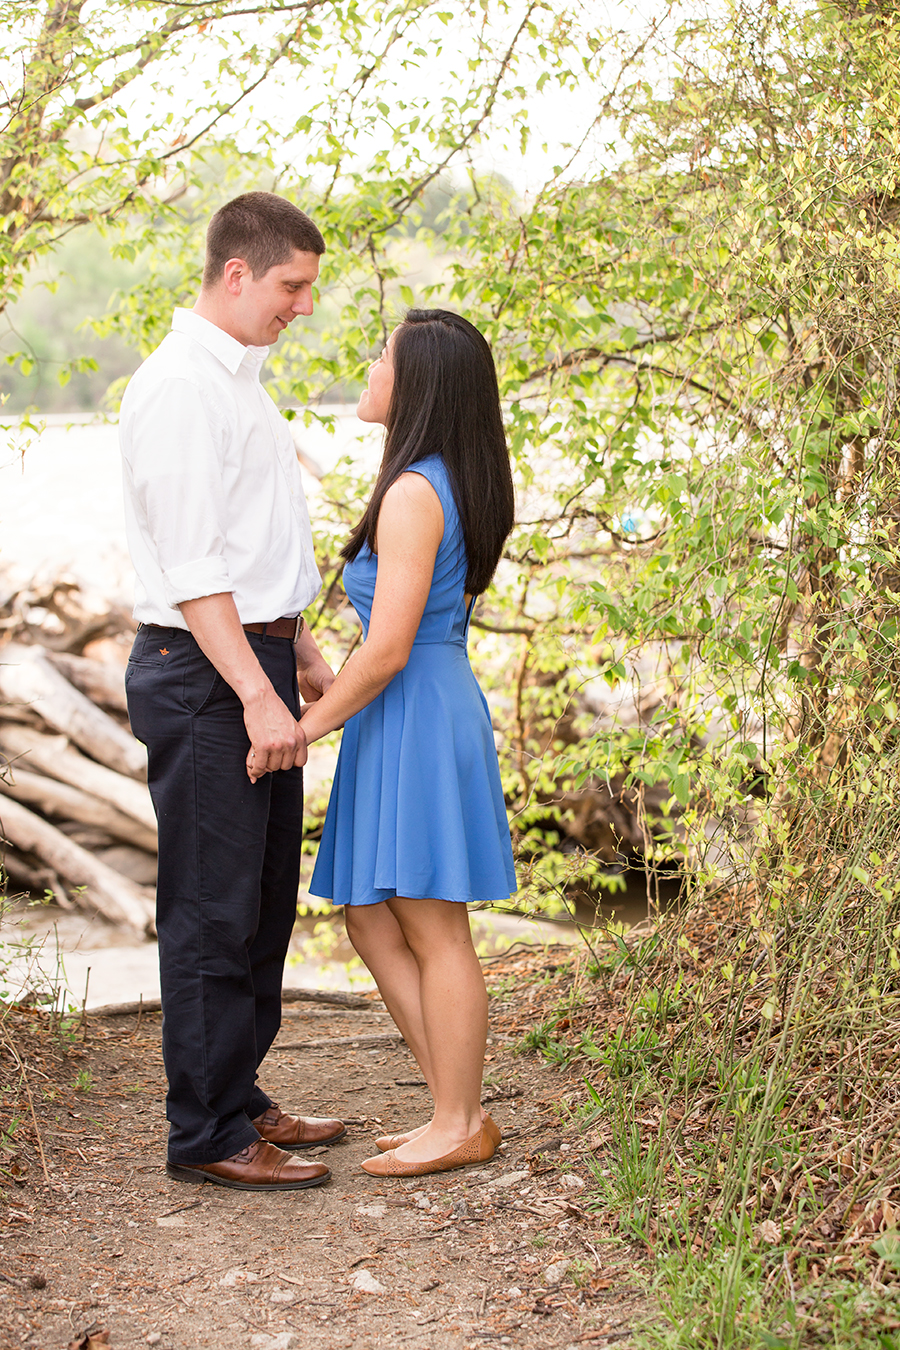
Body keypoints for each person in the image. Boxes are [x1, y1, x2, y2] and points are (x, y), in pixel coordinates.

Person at [120, 192, 345, 1191]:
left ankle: (238, 1094)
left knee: (260, 907)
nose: (302, 305)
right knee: (212, 912)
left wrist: (299, 655)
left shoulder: (242, 386)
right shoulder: (180, 388)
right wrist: (257, 693)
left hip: (255, 664)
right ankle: (205, 1133)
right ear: (239, 273)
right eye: (293, 285)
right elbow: (194, 568)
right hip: (206, 675)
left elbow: (257, 555)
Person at [286, 308, 517, 1178]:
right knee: (373, 916)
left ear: (416, 380)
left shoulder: (418, 490)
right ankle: (455, 1108)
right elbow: (385, 641)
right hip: (406, 710)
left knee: (429, 921)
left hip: (417, 710)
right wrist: (324, 680)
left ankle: (457, 1120)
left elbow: (388, 647)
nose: (368, 364)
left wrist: (307, 725)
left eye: (380, 354)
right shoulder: (430, 480)